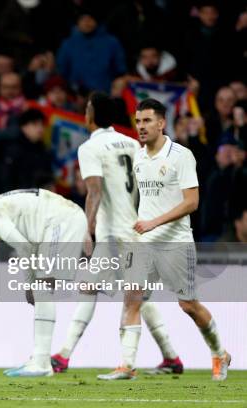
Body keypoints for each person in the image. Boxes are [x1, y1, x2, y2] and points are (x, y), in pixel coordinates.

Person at [98, 98, 230, 381]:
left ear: (161, 123)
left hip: (175, 242)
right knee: (132, 298)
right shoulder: (138, 157)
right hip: (143, 241)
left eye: (146, 121)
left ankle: (220, 353)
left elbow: (192, 202)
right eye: (138, 121)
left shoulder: (180, 155)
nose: (141, 127)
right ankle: (127, 366)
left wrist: (153, 222)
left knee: (188, 306)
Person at [52, 92, 183, 375]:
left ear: (92, 114)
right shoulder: (133, 143)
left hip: (114, 235)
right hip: (135, 229)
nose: (84, 112)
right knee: (131, 295)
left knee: (122, 296)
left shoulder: (91, 147)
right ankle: (171, 357)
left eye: (86, 107)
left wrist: (87, 229)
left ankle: (88, 359)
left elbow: (94, 190)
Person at [0, 188, 88, 377]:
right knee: (43, 289)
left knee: (42, 288)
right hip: (59, 219)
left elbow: (24, 247)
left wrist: (30, 283)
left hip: (60, 221)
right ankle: (40, 359)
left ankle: (41, 362)